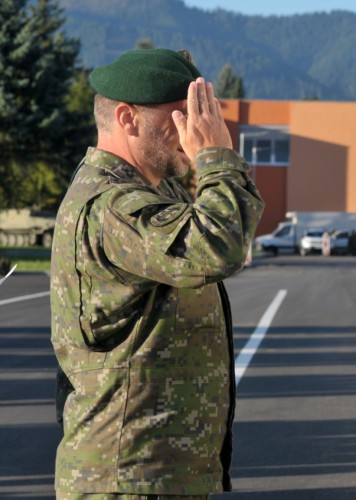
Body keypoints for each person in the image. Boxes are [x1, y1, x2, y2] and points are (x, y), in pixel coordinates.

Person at [50, 48, 264, 497]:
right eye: (180, 116)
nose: (195, 130)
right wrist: (217, 157)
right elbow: (217, 246)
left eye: (199, 116)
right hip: (127, 477)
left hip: (157, 473)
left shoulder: (150, 190)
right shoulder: (112, 206)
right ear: (128, 119)